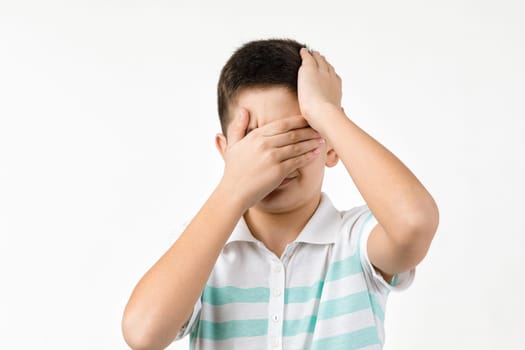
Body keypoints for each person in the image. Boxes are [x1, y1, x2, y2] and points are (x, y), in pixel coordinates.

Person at [121, 38, 439, 350]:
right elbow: (143, 335)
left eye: (296, 135)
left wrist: (326, 113)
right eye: (254, 140)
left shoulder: (355, 242)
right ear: (226, 151)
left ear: (331, 146)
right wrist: (233, 188)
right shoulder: (204, 249)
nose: (273, 157)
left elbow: (413, 223)